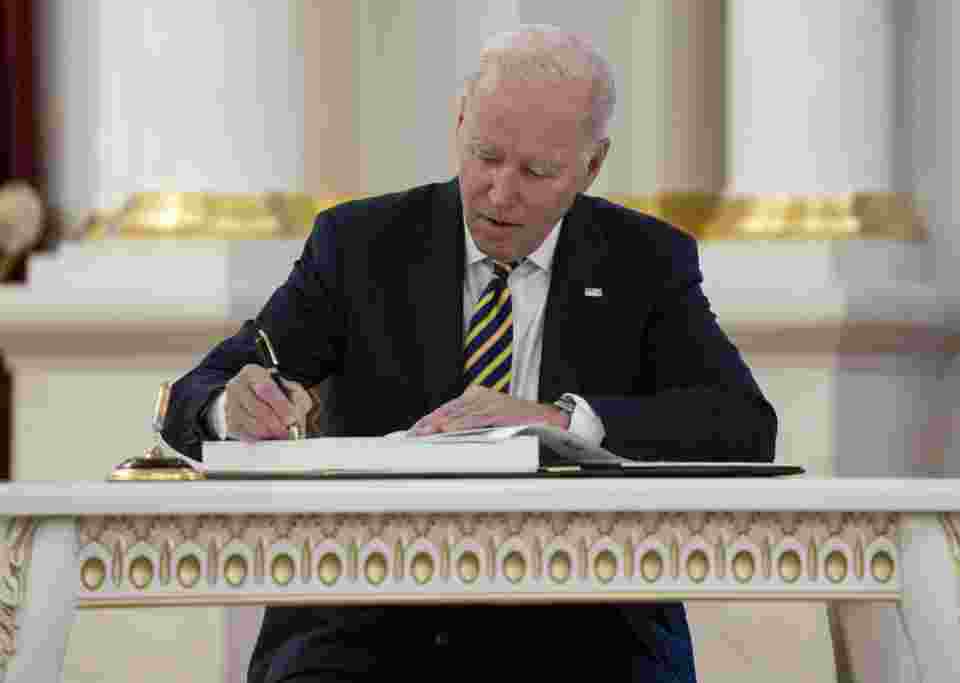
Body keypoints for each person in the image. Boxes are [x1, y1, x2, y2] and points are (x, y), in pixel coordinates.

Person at [163, 24, 776, 683]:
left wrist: (561, 423)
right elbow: (199, 391)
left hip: (584, 634)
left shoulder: (644, 262)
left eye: (537, 171)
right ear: (460, 122)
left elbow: (743, 424)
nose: (500, 191)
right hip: (368, 628)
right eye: (485, 155)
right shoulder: (360, 245)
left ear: (591, 166)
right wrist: (232, 409)